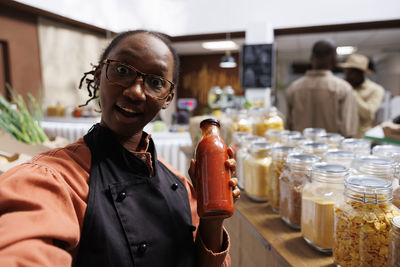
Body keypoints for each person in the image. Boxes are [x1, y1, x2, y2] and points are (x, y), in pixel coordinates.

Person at [0, 30, 239, 267]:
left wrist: (212, 220)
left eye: (155, 82)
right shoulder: (52, 180)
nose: (135, 92)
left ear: (167, 98)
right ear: (98, 75)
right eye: (123, 71)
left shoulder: (184, 187)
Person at [285, 40, 358, 137]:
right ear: (334, 58)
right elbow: (348, 130)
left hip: (301, 150)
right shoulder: (343, 88)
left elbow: (288, 127)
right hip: (332, 150)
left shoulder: (293, 88)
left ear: (311, 58)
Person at [338, 53, 385, 138]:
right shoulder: (341, 88)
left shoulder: (376, 90)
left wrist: (351, 91)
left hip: (361, 139)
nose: (347, 76)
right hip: (342, 136)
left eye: (351, 73)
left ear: (360, 73)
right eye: (346, 72)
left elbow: (368, 113)